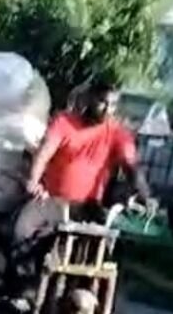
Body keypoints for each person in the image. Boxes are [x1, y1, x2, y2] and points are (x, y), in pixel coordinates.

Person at [16, 78, 154, 241]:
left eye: (112, 105)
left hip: (87, 209)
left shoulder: (118, 134)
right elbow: (44, 153)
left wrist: (146, 196)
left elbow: (132, 167)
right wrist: (34, 180)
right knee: (23, 231)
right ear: (90, 99)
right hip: (52, 202)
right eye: (102, 102)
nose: (107, 109)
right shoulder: (64, 122)